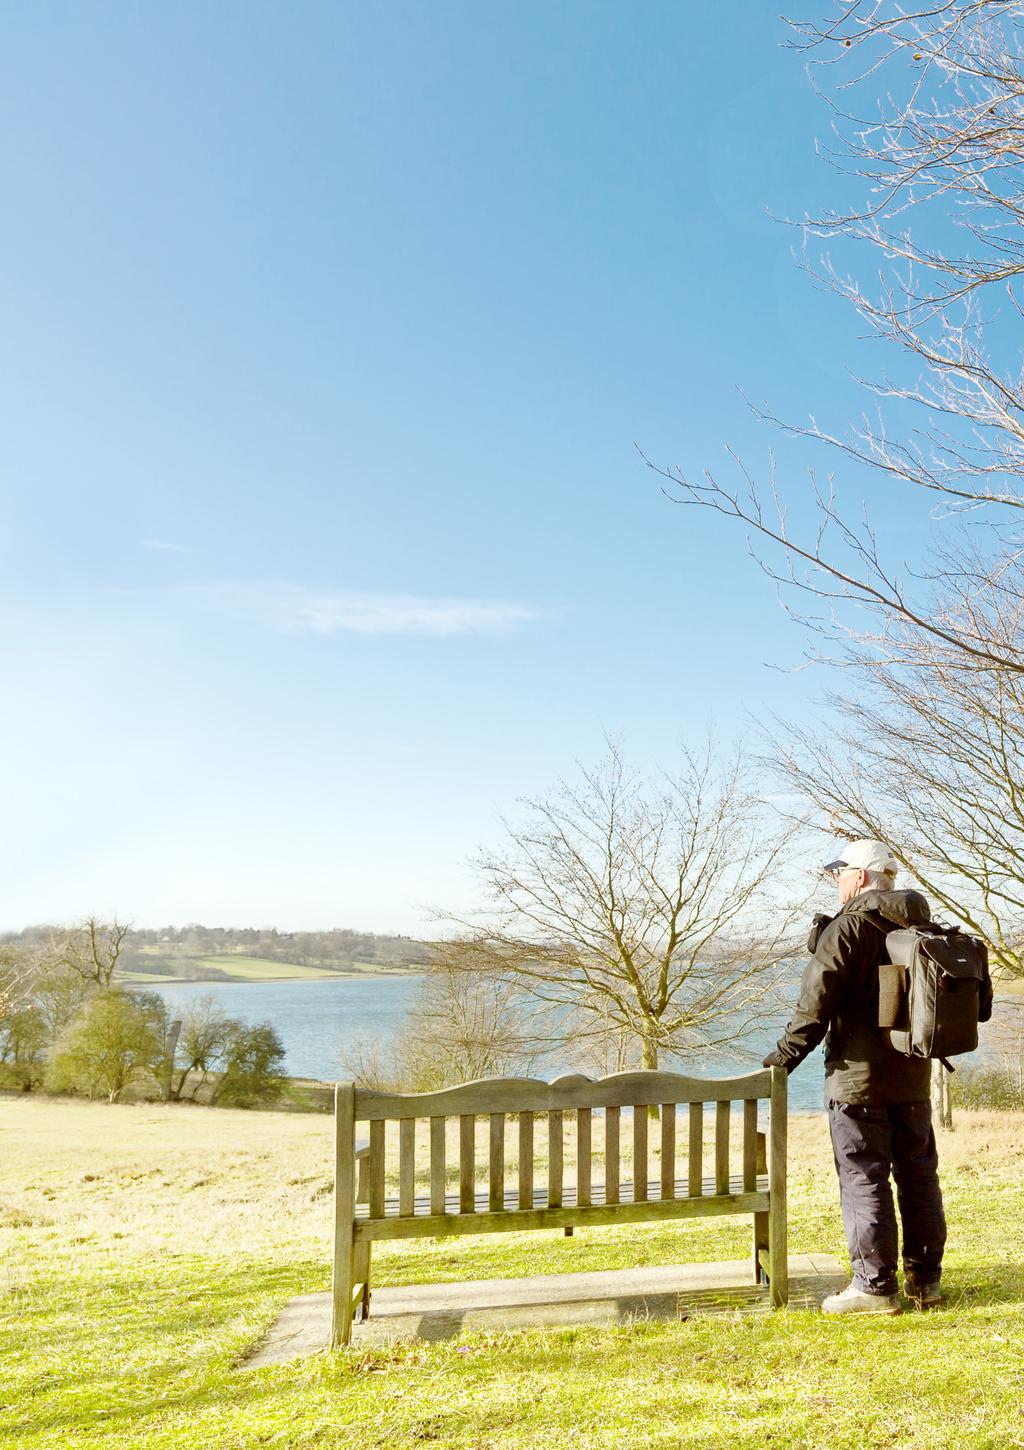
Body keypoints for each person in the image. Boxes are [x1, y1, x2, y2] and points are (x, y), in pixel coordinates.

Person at [763, 838, 946, 1315]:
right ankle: (925, 1282)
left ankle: (874, 1287)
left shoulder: (848, 929)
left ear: (861, 876)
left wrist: (777, 1065)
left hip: (856, 1082)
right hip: (912, 1079)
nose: (836, 880)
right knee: (919, 1177)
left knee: (864, 1178)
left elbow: (813, 1009)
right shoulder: (922, 926)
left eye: (839, 872)